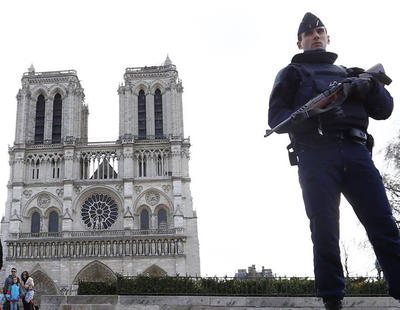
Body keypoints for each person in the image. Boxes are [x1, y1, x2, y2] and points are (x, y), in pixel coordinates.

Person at [268, 12, 400, 310]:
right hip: (315, 153)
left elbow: (385, 110)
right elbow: (276, 120)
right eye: (309, 33)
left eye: (320, 31)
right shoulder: (290, 74)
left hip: (356, 152)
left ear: (328, 38)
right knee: (325, 229)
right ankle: (332, 299)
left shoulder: (351, 72)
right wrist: (314, 114)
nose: (315, 35)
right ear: (299, 42)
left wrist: (370, 86)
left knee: (383, 222)